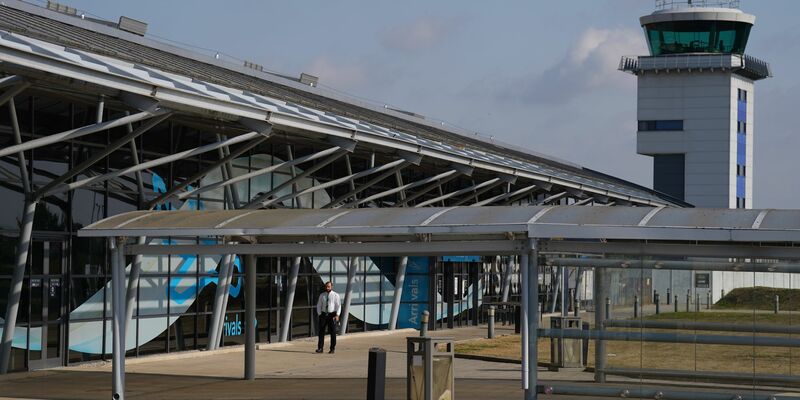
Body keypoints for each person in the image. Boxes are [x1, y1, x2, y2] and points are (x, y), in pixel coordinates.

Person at [316, 281, 341, 354]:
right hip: (323, 315)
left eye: (329, 286)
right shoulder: (322, 295)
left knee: (332, 332)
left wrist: (337, 315)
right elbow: (319, 305)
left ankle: (332, 348)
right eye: (326, 286)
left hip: (332, 315)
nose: (327, 288)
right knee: (321, 332)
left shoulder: (336, 295)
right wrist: (319, 314)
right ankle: (320, 348)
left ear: (331, 286)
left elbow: (338, 306)